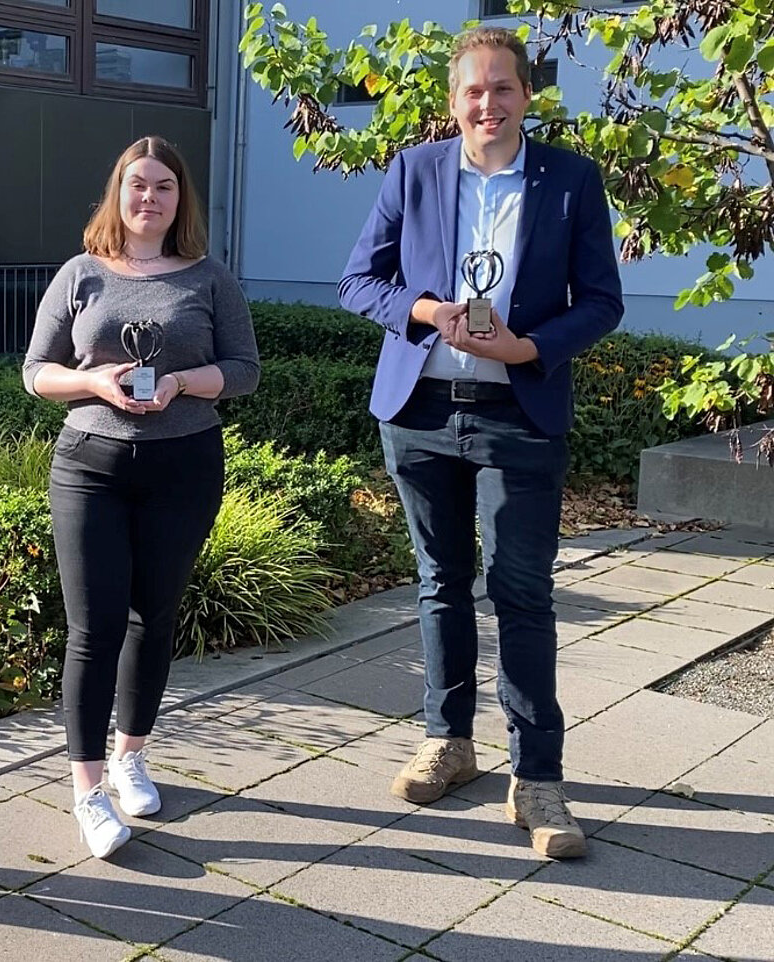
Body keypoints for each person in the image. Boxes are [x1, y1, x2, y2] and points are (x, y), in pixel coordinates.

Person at [339, 27, 623, 858]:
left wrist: (529, 347)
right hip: (420, 411)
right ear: (453, 101)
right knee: (439, 583)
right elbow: (361, 280)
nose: (488, 103)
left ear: (526, 95)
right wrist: (428, 312)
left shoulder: (572, 180)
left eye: (503, 88)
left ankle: (537, 779)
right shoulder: (415, 171)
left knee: (524, 593)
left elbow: (601, 301)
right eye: (474, 90)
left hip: (519, 415)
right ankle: (450, 742)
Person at [23, 136, 260, 858]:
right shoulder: (80, 273)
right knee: (93, 629)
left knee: (153, 619)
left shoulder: (208, 278)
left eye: (162, 186)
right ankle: (88, 789)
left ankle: (131, 754)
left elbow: (244, 370)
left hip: (184, 463)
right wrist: (93, 383)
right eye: (136, 186)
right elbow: (35, 371)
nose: (149, 199)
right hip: (90, 465)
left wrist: (183, 383)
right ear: (116, 195)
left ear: (179, 197)